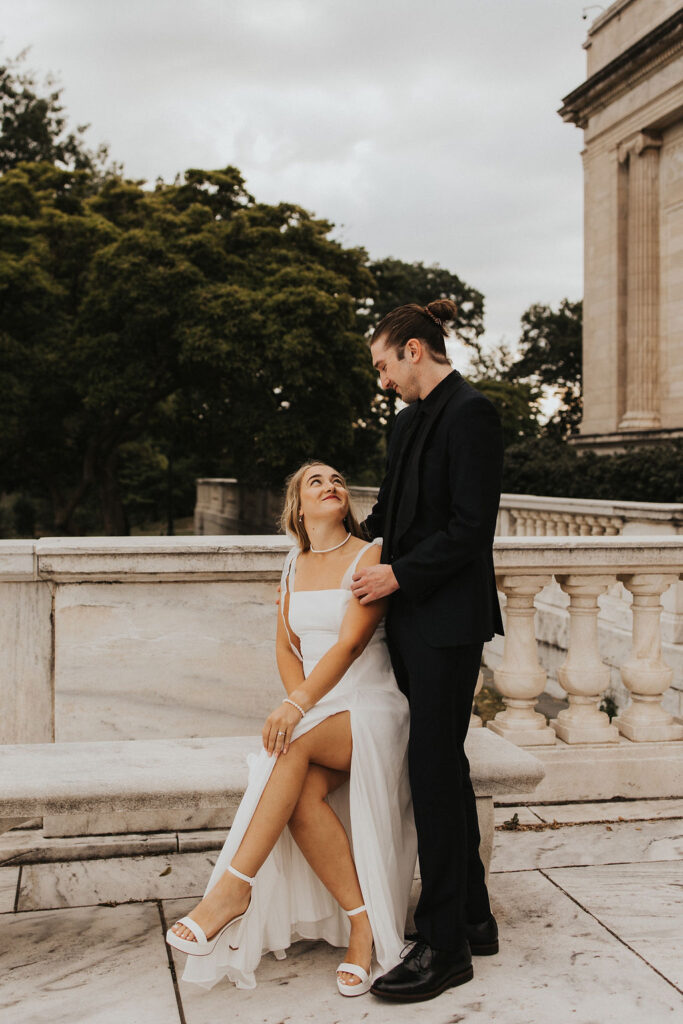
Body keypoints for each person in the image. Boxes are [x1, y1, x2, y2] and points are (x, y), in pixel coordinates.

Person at [167, 461, 417, 995]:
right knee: (300, 791)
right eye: (315, 482)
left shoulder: (368, 556)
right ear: (298, 508)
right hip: (320, 709)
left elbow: (350, 644)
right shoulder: (291, 564)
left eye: (337, 481)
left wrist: (297, 707)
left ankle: (233, 891)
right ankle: (361, 925)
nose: (331, 486)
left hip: (372, 706)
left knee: (289, 742)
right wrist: (296, 701)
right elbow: (286, 645)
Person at [351, 298, 504, 1003]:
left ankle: (445, 947)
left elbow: (471, 528)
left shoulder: (470, 412)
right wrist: (330, 542)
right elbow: (389, 515)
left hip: (446, 622)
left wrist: (400, 574)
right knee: (441, 767)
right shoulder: (408, 421)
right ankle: (471, 915)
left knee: (432, 774)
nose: (380, 381)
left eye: (382, 365)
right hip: (409, 621)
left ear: (413, 350)